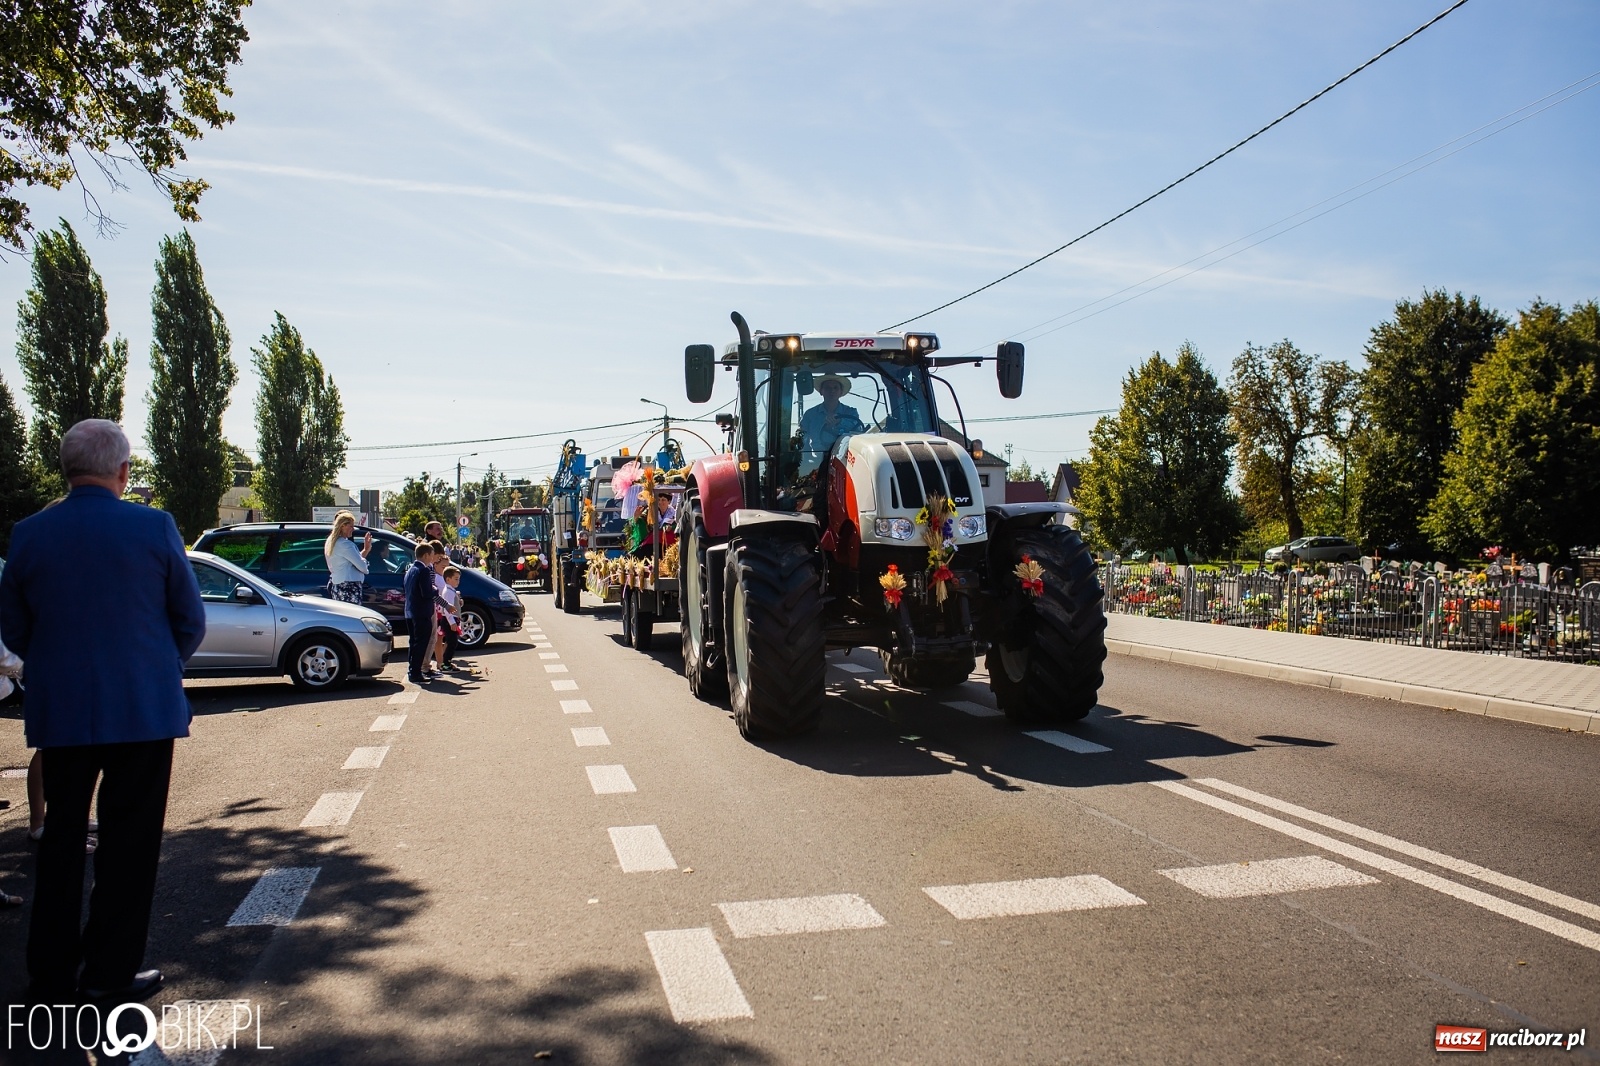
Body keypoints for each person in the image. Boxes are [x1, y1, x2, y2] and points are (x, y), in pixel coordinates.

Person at [0, 419, 206, 1002]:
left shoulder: (29, 533)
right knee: (129, 845)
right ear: (123, 470)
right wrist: (156, 665)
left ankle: (49, 972)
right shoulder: (153, 526)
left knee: (61, 840)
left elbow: (14, 626)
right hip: (143, 709)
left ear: (68, 468)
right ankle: (110, 972)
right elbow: (190, 619)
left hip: (62, 711)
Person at [798, 374, 865, 474]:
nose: (832, 391)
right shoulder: (810, 415)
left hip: (846, 462)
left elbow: (858, 433)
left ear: (840, 392)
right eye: (828, 388)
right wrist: (806, 460)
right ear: (821, 391)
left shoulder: (851, 413)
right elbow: (802, 438)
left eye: (835, 388)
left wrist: (840, 422)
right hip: (816, 463)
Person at [404, 541, 438, 683]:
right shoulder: (423, 570)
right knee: (421, 642)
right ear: (425, 555)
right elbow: (427, 593)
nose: (432, 558)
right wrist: (435, 589)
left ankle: (412, 669)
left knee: (413, 642)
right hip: (422, 612)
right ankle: (416, 673)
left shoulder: (411, 570)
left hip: (410, 610)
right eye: (431, 555)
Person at [324, 510, 372, 604]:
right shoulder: (345, 544)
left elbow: (352, 561)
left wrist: (366, 550)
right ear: (343, 526)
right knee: (353, 616)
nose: (353, 529)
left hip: (338, 585)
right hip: (348, 587)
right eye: (351, 526)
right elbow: (363, 567)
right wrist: (365, 562)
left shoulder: (331, 541)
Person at [436, 565, 464, 671]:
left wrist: (459, 603)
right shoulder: (448, 592)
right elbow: (447, 609)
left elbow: (453, 606)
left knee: (452, 641)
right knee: (451, 642)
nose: (458, 581)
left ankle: (447, 662)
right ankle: (445, 663)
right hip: (448, 620)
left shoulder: (451, 591)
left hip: (452, 619)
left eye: (458, 579)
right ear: (448, 579)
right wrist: (452, 622)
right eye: (456, 579)